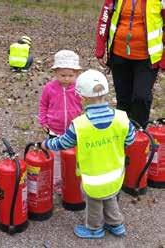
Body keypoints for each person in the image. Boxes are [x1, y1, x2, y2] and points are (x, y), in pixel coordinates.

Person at [41, 69, 135, 239]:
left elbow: (63, 143)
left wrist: (46, 143)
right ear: (106, 93)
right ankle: (117, 225)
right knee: (110, 196)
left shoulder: (80, 125)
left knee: (94, 202)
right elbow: (130, 140)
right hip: (115, 173)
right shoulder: (122, 118)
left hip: (93, 177)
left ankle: (94, 228)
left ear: (82, 98)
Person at [95, 0, 165, 127]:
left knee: (141, 97)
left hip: (147, 58)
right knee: (123, 99)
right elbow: (104, 20)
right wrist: (100, 49)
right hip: (119, 55)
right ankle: (123, 135)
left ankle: (139, 134)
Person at [38, 49, 82, 194]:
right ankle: (57, 182)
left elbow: (85, 104)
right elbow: (43, 105)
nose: (67, 78)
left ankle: (74, 179)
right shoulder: (49, 88)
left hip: (74, 129)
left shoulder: (79, 88)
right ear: (55, 73)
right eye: (63, 75)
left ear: (77, 74)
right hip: (54, 129)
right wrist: (43, 121)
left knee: (74, 155)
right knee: (56, 157)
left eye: (71, 75)